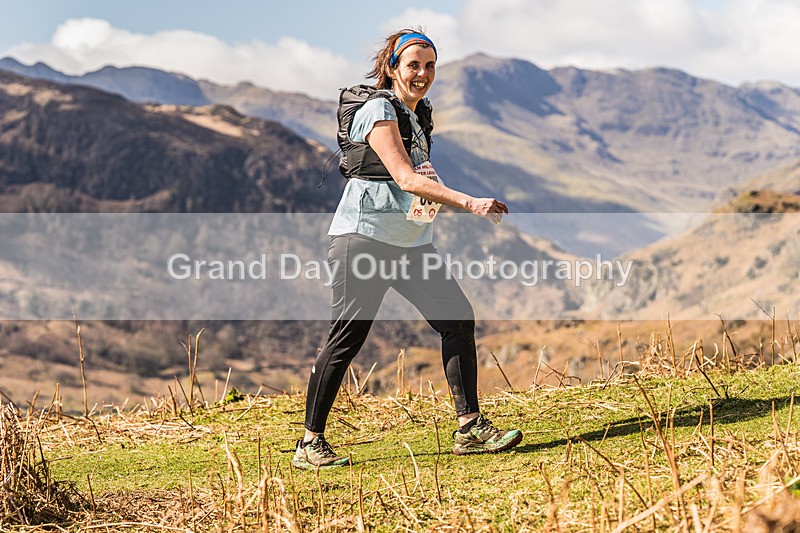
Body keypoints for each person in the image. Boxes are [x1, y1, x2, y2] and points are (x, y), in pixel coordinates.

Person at [293, 29, 522, 470]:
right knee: (347, 338)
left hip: (410, 243)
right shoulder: (379, 109)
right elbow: (405, 179)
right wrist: (470, 202)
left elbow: (419, 184)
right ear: (392, 67)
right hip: (363, 240)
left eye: (430, 65)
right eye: (414, 64)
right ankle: (309, 443)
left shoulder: (416, 116)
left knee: (457, 319)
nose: (422, 74)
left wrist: (435, 190)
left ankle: (470, 428)